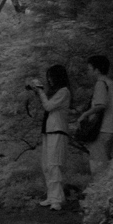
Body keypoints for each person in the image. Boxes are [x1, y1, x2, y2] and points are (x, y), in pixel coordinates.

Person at [30, 65, 72, 209]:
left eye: (51, 77)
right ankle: (52, 196)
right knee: (46, 165)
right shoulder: (55, 92)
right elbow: (45, 105)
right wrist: (38, 93)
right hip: (49, 131)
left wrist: (40, 90)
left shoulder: (64, 92)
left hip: (58, 131)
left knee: (54, 165)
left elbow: (48, 106)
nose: (49, 80)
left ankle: (57, 200)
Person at [80, 55, 113, 178]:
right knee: (110, 166)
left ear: (97, 70)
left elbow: (101, 105)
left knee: (98, 166)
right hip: (112, 129)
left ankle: (98, 193)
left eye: (89, 69)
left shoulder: (100, 83)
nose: (88, 72)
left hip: (101, 130)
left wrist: (85, 114)